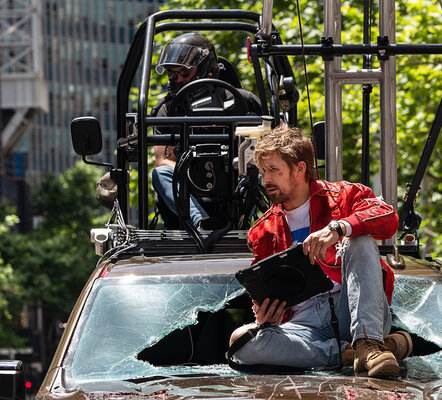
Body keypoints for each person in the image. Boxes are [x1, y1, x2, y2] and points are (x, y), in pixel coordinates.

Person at [229, 124, 410, 379]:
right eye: (262, 171)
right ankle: (350, 353)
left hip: (355, 310)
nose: (265, 179)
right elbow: (269, 295)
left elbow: (388, 218)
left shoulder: (345, 196)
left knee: (360, 241)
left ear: (300, 169)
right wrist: (267, 315)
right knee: (241, 342)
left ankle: (368, 343)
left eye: (273, 170)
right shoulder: (261, 230)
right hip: (304, 326)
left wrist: (340, 228)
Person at [150, 33, 263, 230]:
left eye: (184, 73)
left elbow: (271, 149)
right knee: (159, 173)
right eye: (172, 74)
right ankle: (201, 222)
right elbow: (162, 160)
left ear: (205, 69)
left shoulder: (243, 101)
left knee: (264, 169)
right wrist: (194, 168)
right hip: (189, 187)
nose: (177, 80)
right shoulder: (167, 109)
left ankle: (257, 219)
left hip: (237, 181)